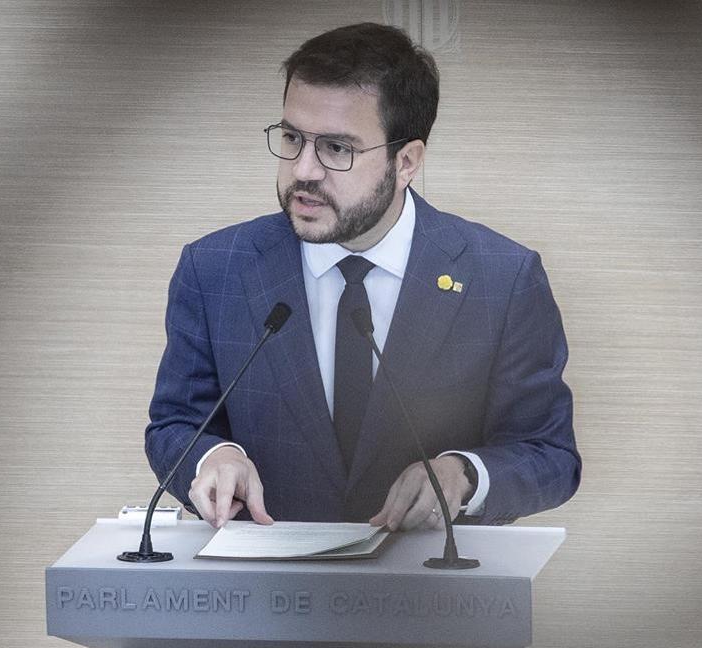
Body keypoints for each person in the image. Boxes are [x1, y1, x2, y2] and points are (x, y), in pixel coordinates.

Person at [144, 23, 580, 532]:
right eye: (291, 138)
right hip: (265, 591)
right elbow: (176, 423)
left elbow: (548, 454)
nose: (303, 170)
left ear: (407, 161)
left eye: (336, 148)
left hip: (433, 590)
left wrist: (463, 474)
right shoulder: (215, 267)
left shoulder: (501, 278)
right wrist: (213, 455)